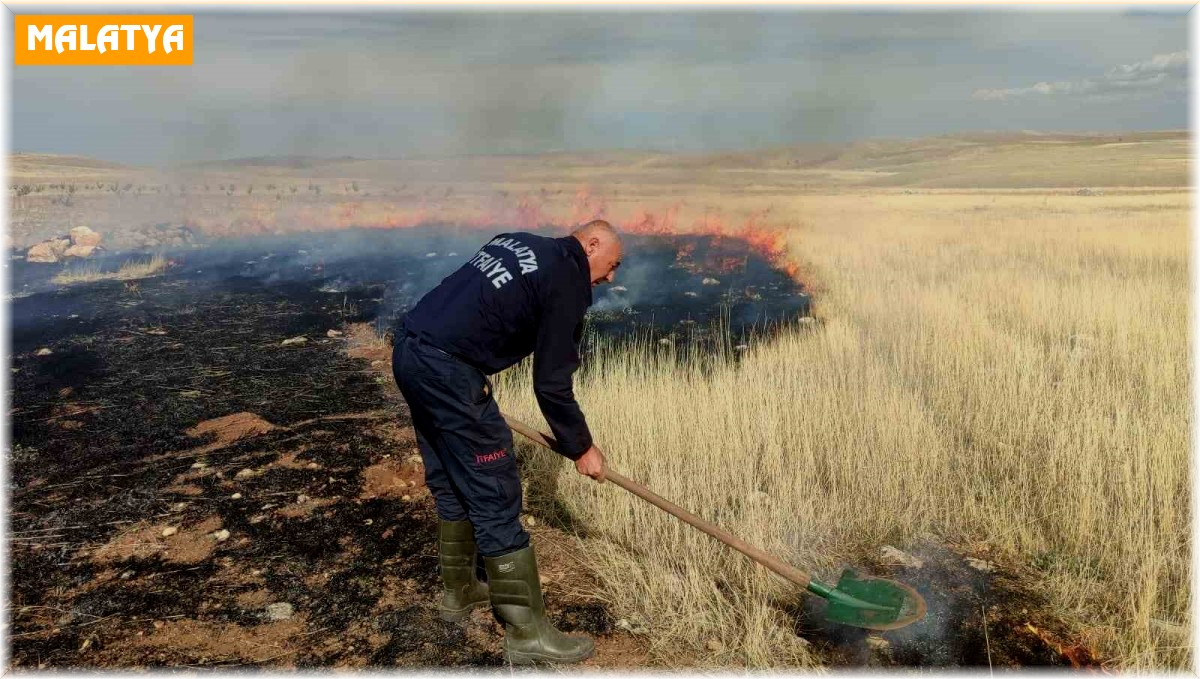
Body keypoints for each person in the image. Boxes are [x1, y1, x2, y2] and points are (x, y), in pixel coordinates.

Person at [392, 220, 622, 664]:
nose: (611, 277)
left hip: (411, 349)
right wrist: (581, 447)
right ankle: (526, 633)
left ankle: (459, 592)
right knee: (494, 489)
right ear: (591, 245)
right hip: (449, 371)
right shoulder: (566, 280)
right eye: (612, 265)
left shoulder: (518, 241)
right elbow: (552, 384)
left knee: (449, 476)